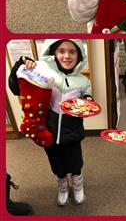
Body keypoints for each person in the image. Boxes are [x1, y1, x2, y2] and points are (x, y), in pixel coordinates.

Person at [8, 40, 92, 206]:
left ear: (79, 55)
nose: (67, 56)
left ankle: (77, 183)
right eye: (61, 51)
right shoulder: (41, 71)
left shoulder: (83, 81)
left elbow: (88, 99)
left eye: (72, 51)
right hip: (48, 130)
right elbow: (17, 88)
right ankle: (62, 186)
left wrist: (88, 100)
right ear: (53, 53)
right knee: (56, 163)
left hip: (72, 130)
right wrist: (20, 64)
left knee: (75, 162)